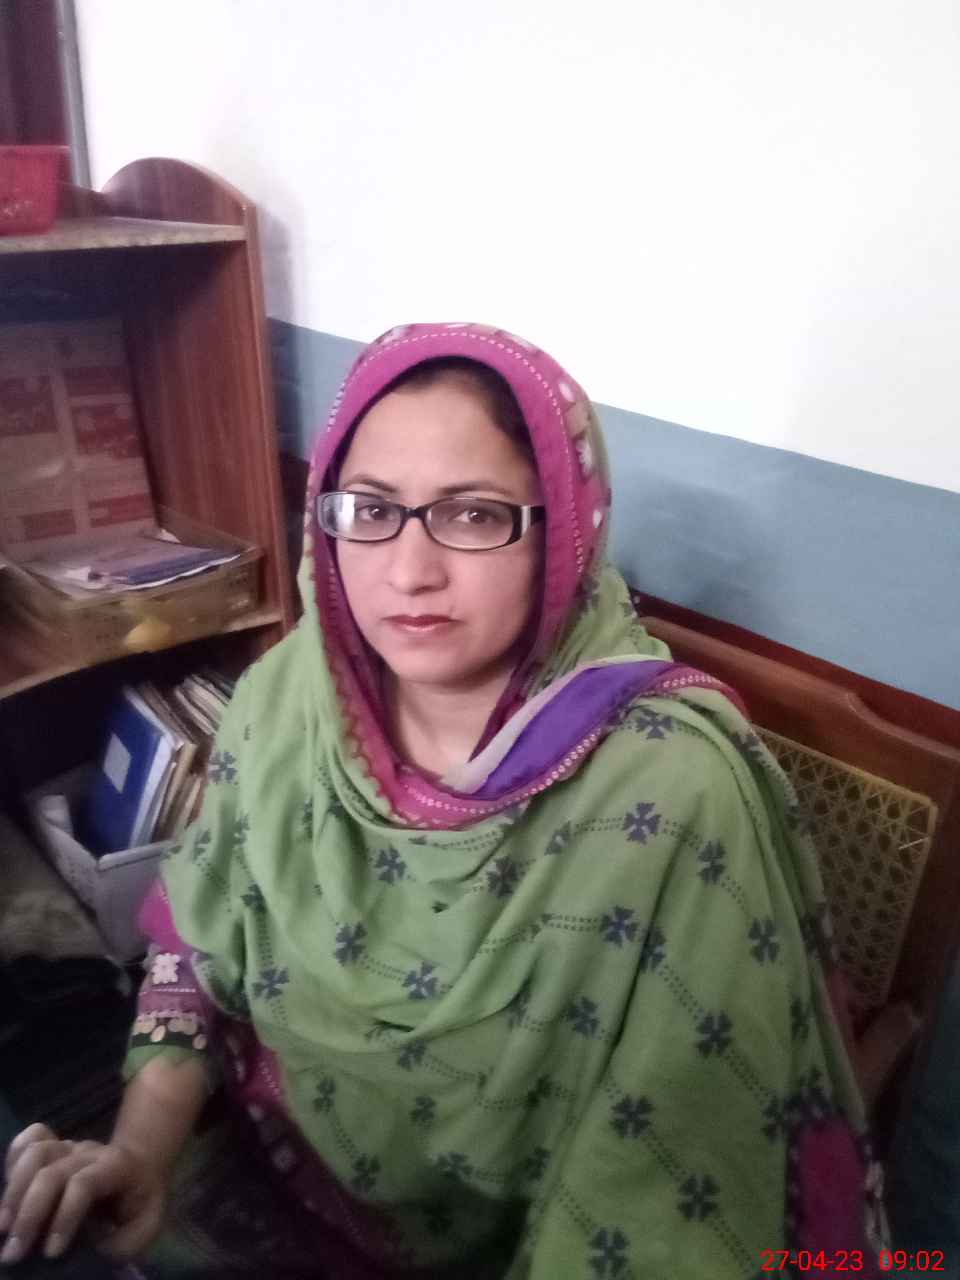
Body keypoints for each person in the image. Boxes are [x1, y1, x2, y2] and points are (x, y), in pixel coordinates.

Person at [1, 322, 883, 1277]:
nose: (409, 570)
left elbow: (661, 1178)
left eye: (471, 514)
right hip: (263, 1170)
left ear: (565, 527)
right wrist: (139, 1151)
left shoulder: (673, 793)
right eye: (370, 509)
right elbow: (200, 942)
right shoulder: (291, 698)